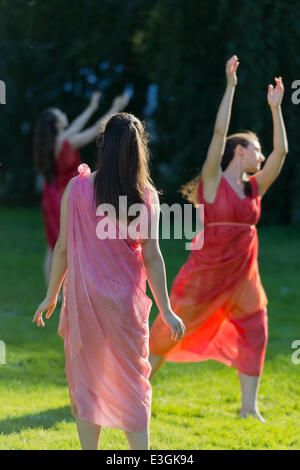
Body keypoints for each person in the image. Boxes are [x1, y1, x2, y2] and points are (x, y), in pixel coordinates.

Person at [32, 112, 185, 450]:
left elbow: (61, 249)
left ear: (105, 146)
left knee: (88, 381)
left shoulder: (77, 187)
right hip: (126, 305)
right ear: (138, 151)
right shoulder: (147, 196)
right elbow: (152, 256)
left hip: (86, 302)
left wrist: (51, 295)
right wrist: (167, 310)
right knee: (133, 381)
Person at [149, 55, 288, 422]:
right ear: (239, 151)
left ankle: (248, 408)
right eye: (255, 149)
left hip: (244, 278)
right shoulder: (212, 181)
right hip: (206, 273)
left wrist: (276, 109)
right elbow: (217, 135)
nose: (260, 155)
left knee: (256, 330)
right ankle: (136, 388)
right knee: (168, 331)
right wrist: (230, 87)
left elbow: (282, 153)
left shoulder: (255, 187)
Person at [33, 91, 130, 294]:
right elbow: (95, 130)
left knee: (54, 245)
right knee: (70, 244)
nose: (63, 113)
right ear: (56, 124)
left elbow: (78, 124)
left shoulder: (58, 141)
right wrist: (115, 108)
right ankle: (63, 292)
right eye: (59, 113)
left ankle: (55, 293)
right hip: (64, 197)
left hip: (51, 196)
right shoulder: (66, 142)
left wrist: (92, 107)